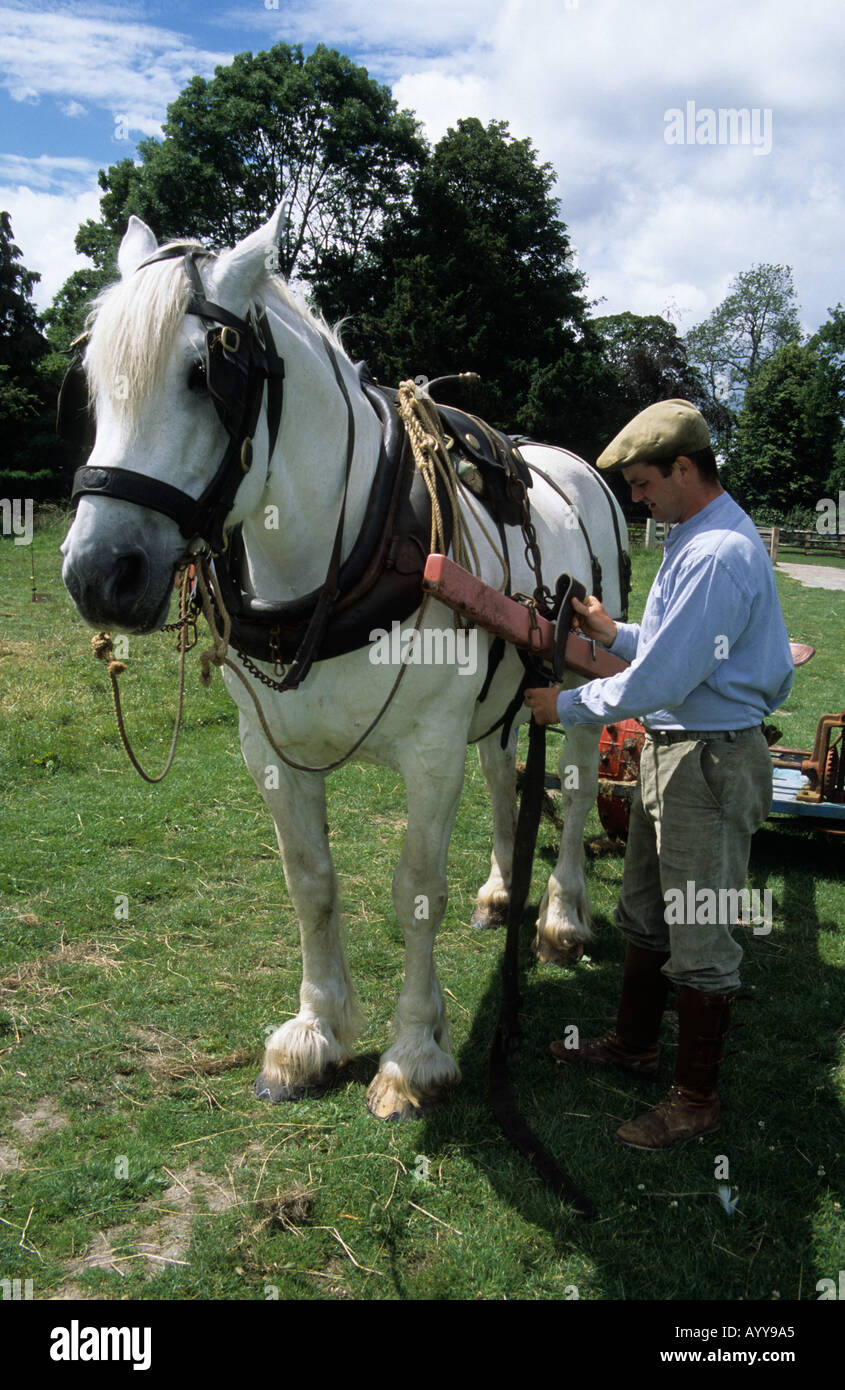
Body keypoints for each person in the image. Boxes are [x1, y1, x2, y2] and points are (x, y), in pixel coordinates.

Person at [523, 399, 794, 1151]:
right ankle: (635, 1044)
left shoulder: (714, 553)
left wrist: (565, 705)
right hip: (678, 754)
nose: (637, 499)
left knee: (701, 935)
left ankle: (695, 1099)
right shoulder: (699, 537)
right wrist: (615, 632)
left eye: (643, 484)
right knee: (644, 912)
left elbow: (663, 679)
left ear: (683, 469)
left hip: (705, 760)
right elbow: (675, 643)